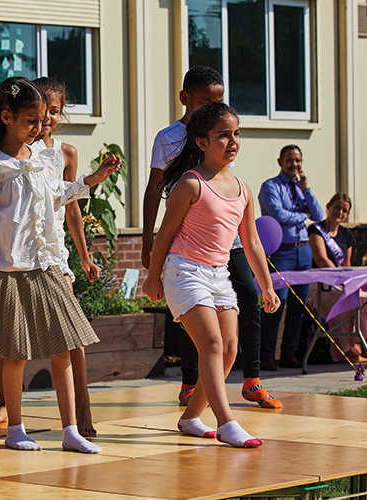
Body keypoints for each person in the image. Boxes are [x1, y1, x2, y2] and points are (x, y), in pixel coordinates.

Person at [0, 77, 121, 453]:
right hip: (6, 270)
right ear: (6, 117)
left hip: (46, 266)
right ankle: (16, 429)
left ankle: (70, 429)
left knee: (64, 345)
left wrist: (91, 180)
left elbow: (55, 195)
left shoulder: (41, 160)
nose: (40, 128)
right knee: (15, 354)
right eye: (31, 120)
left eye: (43, 121)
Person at [141, 65, 281, 409]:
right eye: (206, 102)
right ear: (186, 99)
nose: (213, 107)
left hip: (224, 247)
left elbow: (252, 240)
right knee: (204, 328)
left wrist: (267, 286)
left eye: (219, 101)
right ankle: (198, 391)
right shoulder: (175, 147)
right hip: (188, 250)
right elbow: (155, 193)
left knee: (242, 307)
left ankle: (252, 379)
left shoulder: (240, 184)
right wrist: (150, 257)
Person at [0, 76, 100, 438]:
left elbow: (67, 203)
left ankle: (78, 419)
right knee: (13, 343)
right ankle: (11, 410)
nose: (45, 119)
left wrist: (81, 255)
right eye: (37, 112)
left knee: (69, 338)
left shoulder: (59, 154)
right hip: (14, 260)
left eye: (52, 112)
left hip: (51, 257)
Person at [258, 145, 325, 369]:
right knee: (276, 303)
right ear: (280, 162)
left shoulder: (301, 187)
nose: (294, 165)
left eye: (298, 161)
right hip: (282, 252)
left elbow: (318, 216)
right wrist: (301, 215)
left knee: (298, 307)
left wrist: (307, 190)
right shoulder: (270, 186)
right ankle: (266, 355)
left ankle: (290, 353)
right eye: (290, 160)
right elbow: (279, 215)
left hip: (304, 251)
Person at [308, 193, 367, 363]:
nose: (340, 212)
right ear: (328, 207)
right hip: (320, 282)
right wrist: (340, 280)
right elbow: (321, 260)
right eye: (337, 208)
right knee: (343, 299)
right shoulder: (316, 230)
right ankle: (348, 350)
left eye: (344, 210)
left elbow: (347, 264)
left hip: (341, 280)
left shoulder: (346, 234)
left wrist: (349, 281)